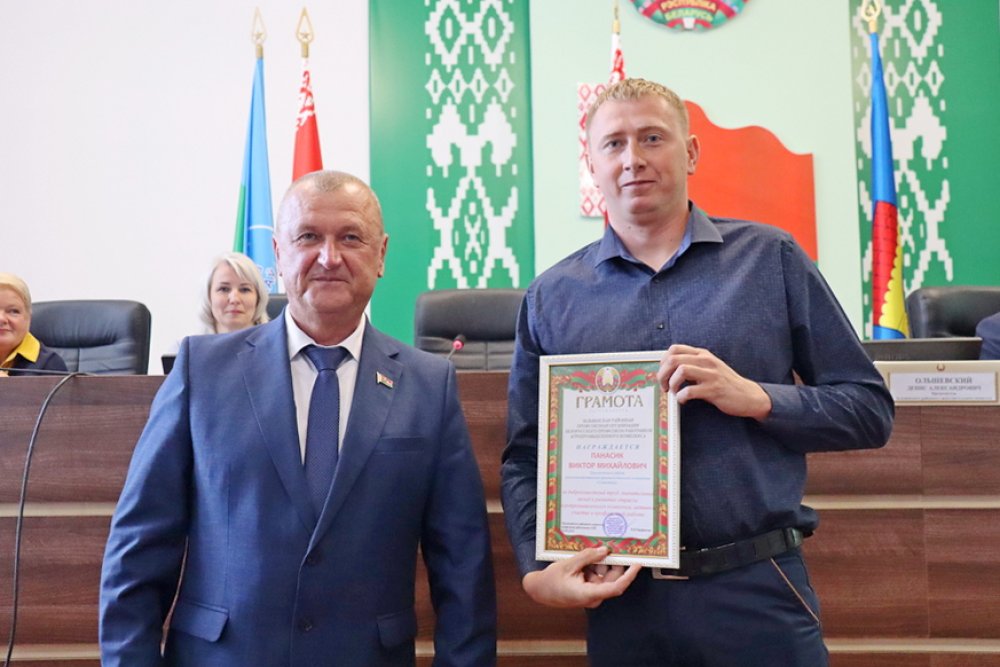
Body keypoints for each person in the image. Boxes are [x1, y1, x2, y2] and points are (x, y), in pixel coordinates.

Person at [500, 78, 895, 666]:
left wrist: (758, 398)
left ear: (690, 152)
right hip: (624, 599)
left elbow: (869, 410)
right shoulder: (552, 297)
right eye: (613, 144)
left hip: (757, 587)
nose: (633, 158)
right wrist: (537, 568)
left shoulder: (770, 258)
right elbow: (525, 456)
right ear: (592, 165)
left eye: (652, 138)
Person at [100, 171, 497, 666]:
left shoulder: (429, 385)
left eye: (350, 238)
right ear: (278, 254)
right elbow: (139, 549)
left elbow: (463, 566)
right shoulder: (202, 370)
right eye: (308, 236)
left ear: (381, 255)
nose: (328, 257)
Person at [0, 272, 67, 376]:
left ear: (28, 317)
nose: (1, 319)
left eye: (13, 311)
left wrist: (7, 384)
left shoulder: (50, 365)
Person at [199, 251, 271, 334]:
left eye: (244, 289)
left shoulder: (278, 342)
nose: (234, 299)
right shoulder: (190, 342)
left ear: (258, 298)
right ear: (208, 297)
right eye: (224, 289)